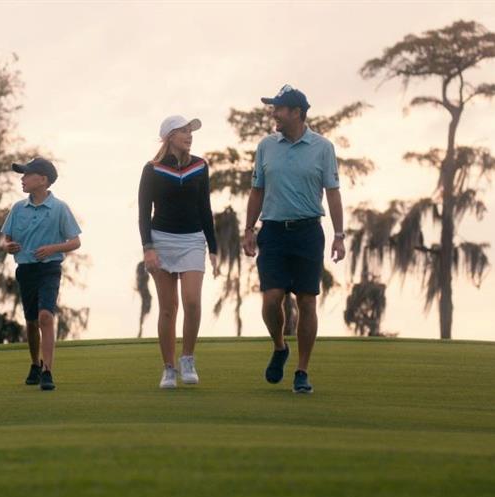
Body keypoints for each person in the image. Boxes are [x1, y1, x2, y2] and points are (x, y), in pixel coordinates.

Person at [241, 85, 345, 394]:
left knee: (307, 301)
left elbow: (333, 193)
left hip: (308, 232)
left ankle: (302, 370)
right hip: (272, 231)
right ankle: (279, 346)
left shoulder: (323, 147)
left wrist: (339, 236)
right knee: (272, 299)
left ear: (297, 112)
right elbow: (257, 190)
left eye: (279, 108)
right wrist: (248, 229)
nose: (273, 113)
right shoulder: (265, 146)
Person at [138, 115, 218, 389]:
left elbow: (205, 208)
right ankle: (169, 368)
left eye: (190, 131)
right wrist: (148, 249)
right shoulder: (152, 169)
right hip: (161, 241)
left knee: (192, 301)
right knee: (168, 308)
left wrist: (214, 249)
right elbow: (143, 213)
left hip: (193, 240)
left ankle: (187, 358)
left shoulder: (200, 165)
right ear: (169, 136)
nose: (189, 135)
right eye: (184, 131)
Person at [2, 158, 82, 391]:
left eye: (27, 175)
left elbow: (75, 241)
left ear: (43, 180)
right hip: (25, 269)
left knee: (46, 316)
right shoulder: (17, 208)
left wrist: (52, 249)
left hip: (50, 268)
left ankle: (47, 370)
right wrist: (7, 246)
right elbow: (6, 238)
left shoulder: (59, 208)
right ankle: (35, 364)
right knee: (31, 320)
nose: (22, 179)